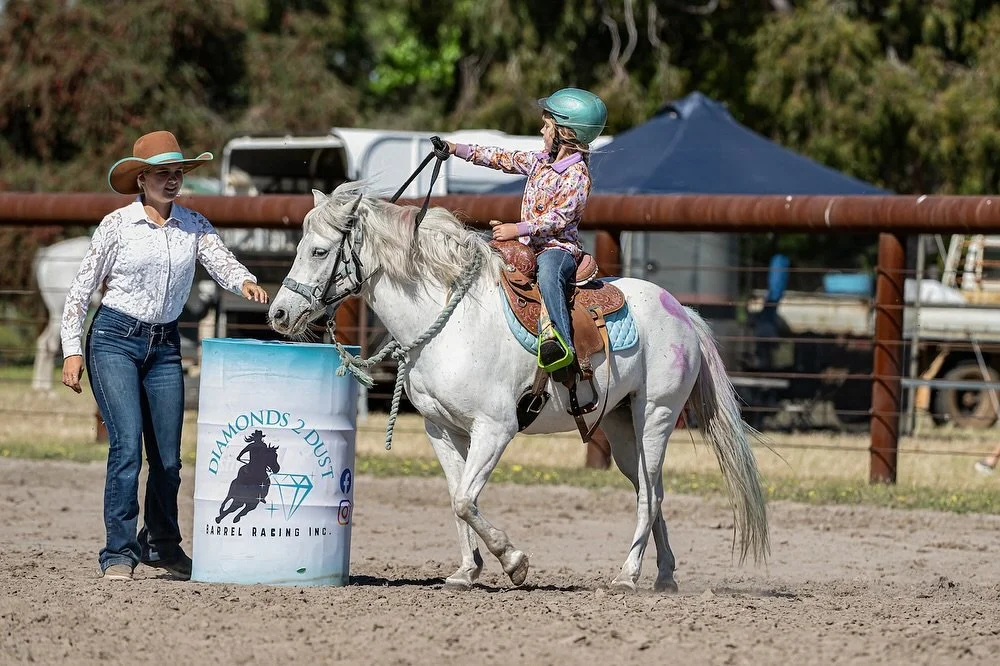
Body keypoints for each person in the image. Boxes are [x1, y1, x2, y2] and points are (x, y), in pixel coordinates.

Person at [60, 130, 269, 581]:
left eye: (177, 174)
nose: (171, 181)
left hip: (165, 346)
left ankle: (161, 545)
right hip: (114, 338)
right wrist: (71, 350)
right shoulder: (116, 226)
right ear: (142, 180)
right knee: (127, 449)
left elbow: (222, 261)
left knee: (169, 460)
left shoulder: (194, 225)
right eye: (162, 174)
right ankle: (118, 551)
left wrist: (245, 281)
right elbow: (80, 292)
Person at [447, 88, 608, 371]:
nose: (542, 131)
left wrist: (517, 228)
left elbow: (559, 219)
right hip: (527, 243)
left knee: (548, 276)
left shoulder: (576, 175)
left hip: (557, 249)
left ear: (565, 134)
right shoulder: (540, 161)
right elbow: (502, 158)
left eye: (547, 126)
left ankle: (561, 344)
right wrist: (456, 150)